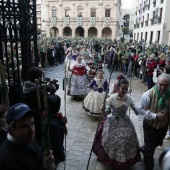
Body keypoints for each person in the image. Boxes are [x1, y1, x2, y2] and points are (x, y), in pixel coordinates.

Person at [0, 103, 55, 170]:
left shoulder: (27, 138)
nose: (32, 130)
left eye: (32, 123)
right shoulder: (7, 161)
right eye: (24, 127)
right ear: (11, 130)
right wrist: (47, 168)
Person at [138, 74, 170, 170]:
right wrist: (155, 116)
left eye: (166, 85)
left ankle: (145, 148)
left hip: (163, 126)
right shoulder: (148, 94)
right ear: (156, 83)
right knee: (150, 150)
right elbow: (139, 110)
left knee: (158, 142)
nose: (163, 87)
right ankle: (149, 167)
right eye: (161, 84)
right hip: (150, 126)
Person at [22, 67, 44, 145]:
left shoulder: (25, 87)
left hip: (27, 115)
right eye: (40, 76)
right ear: (38, 78)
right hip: (37, 118)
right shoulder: (38, 91)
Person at [47, 95, 67, 167]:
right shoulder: (53, 125)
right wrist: (62, 156)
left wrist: (62, 121)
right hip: (54, 152)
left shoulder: (55, 117)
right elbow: (56, 143)